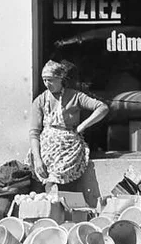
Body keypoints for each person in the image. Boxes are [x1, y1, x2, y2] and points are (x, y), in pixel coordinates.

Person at [29, 59, 108, 187]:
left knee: (56, 179)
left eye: (50, 80)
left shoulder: (75, 96)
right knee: (41, 177)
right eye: (44, 80)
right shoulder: (40, 101)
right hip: (45, 147)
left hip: (68, 146)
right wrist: (37, 159)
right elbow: (34, 133)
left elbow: (102, 108)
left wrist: (83, 125)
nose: (47, 84)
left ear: (61, 79)